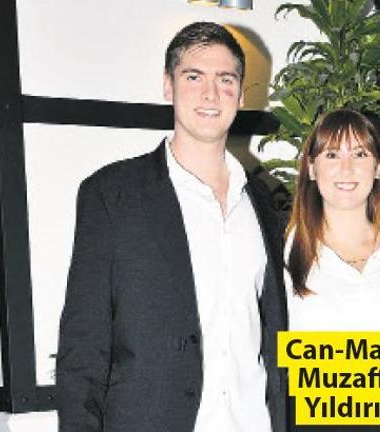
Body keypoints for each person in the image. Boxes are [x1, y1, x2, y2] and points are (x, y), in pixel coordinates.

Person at [56, 22, 286, 432]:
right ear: (168, 85)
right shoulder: (112, 195)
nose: (210, 94)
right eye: (193, 77)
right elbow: (83, 346)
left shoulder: (265, 203)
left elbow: (274, 336)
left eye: (225, 79)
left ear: (241, 94)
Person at [285, 109, 380, 431]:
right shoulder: (285, 253)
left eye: (360, 154)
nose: (346, 168)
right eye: (332, 154)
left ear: (377, 168)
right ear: (311, 168)